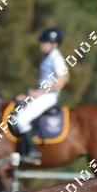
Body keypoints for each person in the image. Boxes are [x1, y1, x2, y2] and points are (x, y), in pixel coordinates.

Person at [10, 27, 69, 165]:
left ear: (54, 44)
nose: (42, 45)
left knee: (20, 120)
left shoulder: (56, 57)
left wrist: (39, 93)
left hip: (49, 97)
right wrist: (28, 96)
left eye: (45, 42)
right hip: (42, 95)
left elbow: (61, 82)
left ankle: (32, 152)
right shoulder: (48, 57)